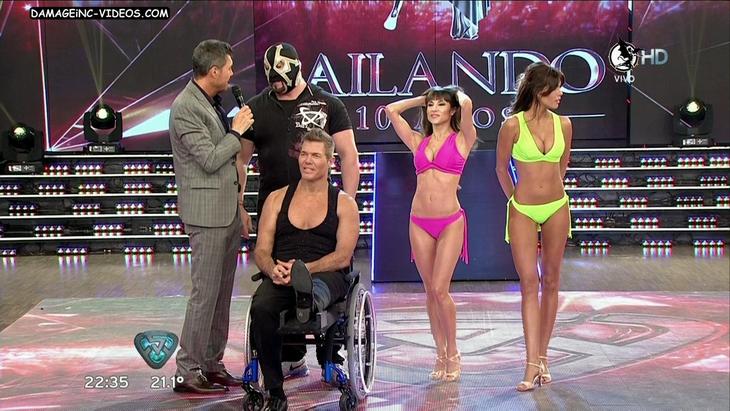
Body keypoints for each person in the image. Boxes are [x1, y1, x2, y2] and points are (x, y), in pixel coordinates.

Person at [237, 42, 359, 378]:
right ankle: (289, 356)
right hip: (275, 210)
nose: (276, 85)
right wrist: (240, 205)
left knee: (320, 279)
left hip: (321, 210)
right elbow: (241, 161)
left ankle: (329, 355)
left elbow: (349, 156)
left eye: (281, 78)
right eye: (271, 80)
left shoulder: (328, 104)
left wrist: (345, 204)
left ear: (296, 69)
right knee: (277, 280)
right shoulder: (256, 108)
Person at [249, 129, 360, 410]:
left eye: (315, 156)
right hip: (283, 275)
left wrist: (305, 269)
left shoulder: (344, 203)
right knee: (261, 307)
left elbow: (343, 257)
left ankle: (306, 296)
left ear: (330, 162)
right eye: (304, 154)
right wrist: (272, 269)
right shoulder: (277, 199)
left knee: (314, 289)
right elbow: (261, 250)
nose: (307, 160)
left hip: (326, 274)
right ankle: (275, 390)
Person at [169, 39, 254, 394]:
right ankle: (188, 369)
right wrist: (236, 131)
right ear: (214, 71)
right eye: (229, 68)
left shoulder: (208, 101)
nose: (233, 73)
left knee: (221, 294)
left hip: (225, 212)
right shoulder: (186, 107)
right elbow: (209, 159)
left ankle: (211, 364)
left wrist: (239, 206)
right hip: (206, 216)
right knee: (205, 294)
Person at [385, 86, 477, 382]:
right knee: (429, 292)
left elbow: (468, 105)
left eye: (441, 104)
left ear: (452, 110)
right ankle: (439, 352)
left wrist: (456, 96)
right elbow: (391, 111)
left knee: (440, 289)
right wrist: (421, 99)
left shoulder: (462, 139)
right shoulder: (418, 141)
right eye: (431, 105)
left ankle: (454, 352)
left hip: (450, 221)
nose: (434, 109)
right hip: (419, 221)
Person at [495, 61, 573, 391]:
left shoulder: (564, 124)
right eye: (556, 88)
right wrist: (515, 200)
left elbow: (563, 165)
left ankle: (543, 357)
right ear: (540, 91)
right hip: (523, 210)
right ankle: (529, 364)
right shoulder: (512, 125)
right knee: (530, 283)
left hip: (557, 207)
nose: (561, 93)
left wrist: (552, 192)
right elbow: (501, 168)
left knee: (551, 281)